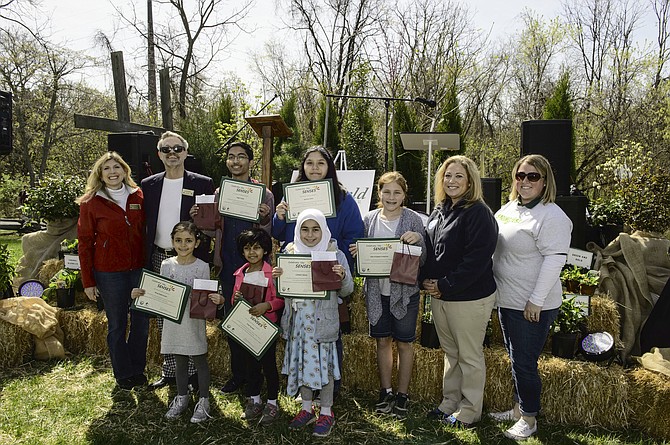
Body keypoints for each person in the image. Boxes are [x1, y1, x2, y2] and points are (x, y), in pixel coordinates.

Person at [489, 154, 572, 440]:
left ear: (545, 181)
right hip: (507, 300)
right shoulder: (509, 208)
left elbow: (554, 261)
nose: (524, 181)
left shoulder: (552, 216)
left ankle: (529, 418)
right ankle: (517, 409)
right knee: (515, 359)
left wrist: (536, 300)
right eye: (520, 175)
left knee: (524, 362)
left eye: (532, 177)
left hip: (531, 305)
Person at [273, 145, 364, 394]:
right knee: (301, 333)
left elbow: (355, 235)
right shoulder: (291, 196)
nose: (314, 167)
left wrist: (330, 259)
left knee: (327, 330)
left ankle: (329, 391)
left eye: (320, 163)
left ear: (329, 168)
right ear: (302, 166)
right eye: (309, 162)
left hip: (327, 277)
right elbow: (279, 234)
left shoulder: (344, 198)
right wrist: (279, 216)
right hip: (298, 276)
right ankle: (304, 391)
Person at [419, 155, 498, 428]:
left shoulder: (478, 213)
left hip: (469, 297)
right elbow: (431, 251)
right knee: (451, 354)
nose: (451, 181)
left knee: (469, 355)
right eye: (447, 175)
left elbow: (476, 260)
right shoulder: (440, 209)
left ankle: (470, 411)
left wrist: (445, 285)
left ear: (470, 181)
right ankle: (450, 402)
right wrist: (426, 280)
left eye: (458, 176)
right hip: (441, 296)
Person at [141, 131, 215, 390]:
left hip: (191, 258)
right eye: (166, 149)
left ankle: (194, 373)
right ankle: (171, 371)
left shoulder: (203, 183)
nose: (172, 153)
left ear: (185, 152)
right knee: (165, 317)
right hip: (160, 256)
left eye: (177, 149)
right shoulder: (148, 184)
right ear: (159, 154)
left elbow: (211, 220)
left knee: (192, 317)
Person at [349, 172, 426, 419]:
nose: (391, 197)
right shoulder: (369, 219)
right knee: (382, 341)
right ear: (378, 193)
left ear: (404, 195)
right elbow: (362, 253)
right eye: (386, 192)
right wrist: (356, 251)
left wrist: (419, 241)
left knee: (405, 343)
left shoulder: (413, 219)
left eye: (397, 192)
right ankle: (386, 391)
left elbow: (423, 258)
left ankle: (402, 395)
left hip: (404, 293)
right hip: (376, 291)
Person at [132, 222, 224, 423]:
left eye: (189, 241)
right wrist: (141, 294)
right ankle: (181, 397)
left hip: (193, 322)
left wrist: (215, 299)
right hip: (173, 322)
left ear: (197, 243)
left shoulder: (202, 266)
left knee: (199, 361)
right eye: (179, 240)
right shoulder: (166, 265)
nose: (183, 245)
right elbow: (159, 292)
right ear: (172, 242)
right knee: (179, 361)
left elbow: (206, 296)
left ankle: (204, 400)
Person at [273, 209, 354, 437]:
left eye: (315, 229)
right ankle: (306, 408)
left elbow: (348, 290)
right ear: (298, 230)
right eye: (304, 229)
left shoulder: (334, 253)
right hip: (298, 323)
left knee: (324, 367)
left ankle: (326, 411)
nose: (310, 235)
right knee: (302, 364)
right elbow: (283, 291)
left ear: (324, 230)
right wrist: (279, 278)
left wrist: (343, 277)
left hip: (322, 323)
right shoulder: (289, 251)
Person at [205, 141, 274, 394]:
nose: (236, 161)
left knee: (255, 321)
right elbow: (212, 229)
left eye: (241, 157)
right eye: (231, 157)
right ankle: (239, 376)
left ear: (250, 161)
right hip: (228, 265)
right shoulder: (218, 192)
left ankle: (256, 378)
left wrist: (264, 216)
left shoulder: (264, 194)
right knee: (233, 323)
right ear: (226, 162)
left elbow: (268, 234)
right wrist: (199, 216)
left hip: (254, 268)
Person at [77, 151, 149, 390]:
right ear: (100, 174)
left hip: (137, 269)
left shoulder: (137, 194)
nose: (112, 172)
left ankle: (138, 369)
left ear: (125, 170)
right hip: (109, 272)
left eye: (116, 167)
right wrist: (88, 281)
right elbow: (85, 243)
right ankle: (123, 373)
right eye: (106, 168)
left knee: (140, 321)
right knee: (117, 324)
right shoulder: (91, 202)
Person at [231, 228, 284, 426]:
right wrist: (235, 298)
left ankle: (272, 403)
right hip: (246, 328)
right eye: (247, 248)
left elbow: (280, 299)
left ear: (265, 250)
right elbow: (234, 297)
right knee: (250, 366)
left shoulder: (271, 273)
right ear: (242, 251)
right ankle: (254, 400)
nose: (252, 252)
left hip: (266, 327)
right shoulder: (240, 273)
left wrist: (267, 306)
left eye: (257, 248)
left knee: (268, 366)